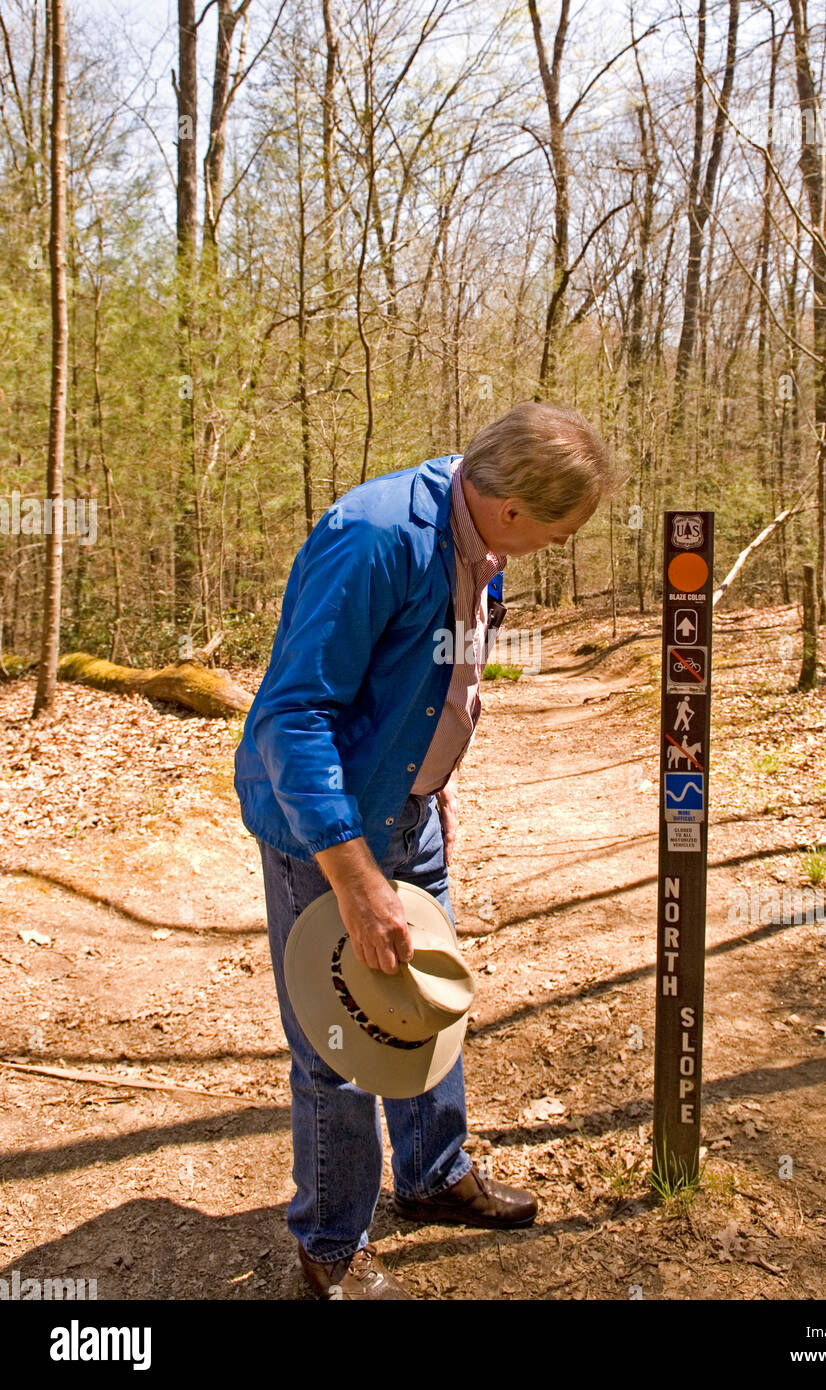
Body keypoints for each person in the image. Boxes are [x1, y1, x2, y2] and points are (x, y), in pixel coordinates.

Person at [234, 400, 616, 1300]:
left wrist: (433, 781)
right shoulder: (373, 538)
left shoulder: (477, 535)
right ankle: (332, 1243)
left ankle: (432, 1174)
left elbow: (435, 675)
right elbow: (294, 716)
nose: (557, 547)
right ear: (511, 507)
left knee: (427, 1006)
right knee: (338, 1042)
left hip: (410, 809)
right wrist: (355, 877)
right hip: (329, 832)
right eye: (558, 531)